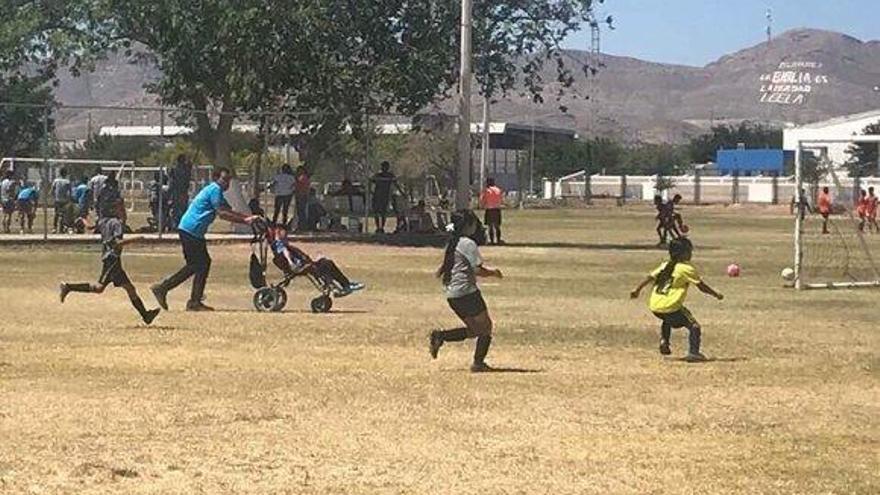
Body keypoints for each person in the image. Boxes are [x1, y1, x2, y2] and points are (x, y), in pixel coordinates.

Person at [151, 167, 257, 311]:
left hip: (194, 232)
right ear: (216, 178)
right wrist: (246, 221)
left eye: (228, 180)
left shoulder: (216, 192)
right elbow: (223, 214)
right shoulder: (215, 190)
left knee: (200, 264)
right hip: (191, 230)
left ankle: (188, 298)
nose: (226, 183)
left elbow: (228, 210)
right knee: (197, 264)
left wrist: (247, 218)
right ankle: (168, 290)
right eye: (224, 179)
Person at [59, 199, 161, 325]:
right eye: (121, 207)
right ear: (115, 209)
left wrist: (82, 220)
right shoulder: (115, 223)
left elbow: (90, 227)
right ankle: (68, 287)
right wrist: (137, 239)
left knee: (129, 288)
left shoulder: (103, 221)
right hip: (112, 259)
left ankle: (146, 316)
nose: (123, 210)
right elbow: (117, 243)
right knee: (100, 287)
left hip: (111, 259)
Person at [429, 209, 503, 372]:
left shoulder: (453, 242)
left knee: (474, 330)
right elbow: (477, 270)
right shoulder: (468, 243)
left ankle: (440, 336)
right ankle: (478, 364)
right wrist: (494, 273)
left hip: (452, 295)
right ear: (469, 225)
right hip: (467, 292)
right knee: (486, 327)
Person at [629, 237, 724, 362]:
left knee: (667, 319)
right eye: (689, 251)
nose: (691, 253)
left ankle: (664, 341)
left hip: (655, 306)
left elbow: (649, 277)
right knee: (694, 326)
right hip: (671, 306)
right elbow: (702, 287)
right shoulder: (686, 268)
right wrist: (715, 294)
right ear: (684, 253)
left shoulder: (665, 265)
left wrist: (637, 290)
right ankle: (694, 353)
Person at [270, 225, 365, 295]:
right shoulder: (279, 244)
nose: (286, 234)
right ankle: (343, 286)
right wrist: (291, 262)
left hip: (304, 264)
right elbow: (284, 252)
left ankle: (344, 285)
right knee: (327, 264)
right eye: (283, 232)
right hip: (300, 266)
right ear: (278, 232)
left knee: (326, 263)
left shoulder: (283, 244)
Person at [370, 161, 402, 234]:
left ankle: (382, 228)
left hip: (385, 196)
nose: (385, 168)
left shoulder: (390, 175)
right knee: (376, 212)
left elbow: (396, 184)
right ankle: (378, 227)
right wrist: (371, 192)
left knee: (383, 213)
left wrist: (402, 192)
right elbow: (371, 181)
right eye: (383, 167)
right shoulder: (378, 175)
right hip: (377, 196)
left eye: (386, 167)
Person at [168, 154, 193, 229]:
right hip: (181, 192)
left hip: (178, 192)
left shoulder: (176, 168)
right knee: (181, 209)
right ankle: (180, 224)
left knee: (178, 209)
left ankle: (177, 225)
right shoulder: (182, 169)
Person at [480, 177, 504, 245]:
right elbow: (501, 200)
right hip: (497, 209)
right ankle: (498, 240)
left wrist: (482, 205)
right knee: (497, 226)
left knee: (490, 226)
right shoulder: (498, 190)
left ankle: (492, 241)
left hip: (489, 209)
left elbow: (482, 200)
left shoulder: (486, 190)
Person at [50, 168, 73, 233]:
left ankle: (54, 228)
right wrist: (70, 199)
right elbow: (70, 192)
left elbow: (52, 190)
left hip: (57, 200)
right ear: (65, 174)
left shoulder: (56, 181)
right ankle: (62, 227)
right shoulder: (67, 181)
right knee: (64, 214)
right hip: (65, 200)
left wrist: (53, 197)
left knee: (56, 214)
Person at [293, 165, 311, 231]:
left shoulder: (302, 177)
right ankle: (301, 225)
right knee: (300, 211)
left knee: (301, 212)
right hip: (301, 195)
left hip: (301, 196)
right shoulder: (303, 177)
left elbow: (300, 187)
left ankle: (302, 226)